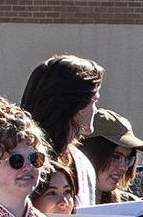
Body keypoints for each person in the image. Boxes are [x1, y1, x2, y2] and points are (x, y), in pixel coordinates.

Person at [18, 54, 105, 206]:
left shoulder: (81, 162)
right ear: (73, 105)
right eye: (93, 101)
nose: (95, 110)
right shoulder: (21, 162)